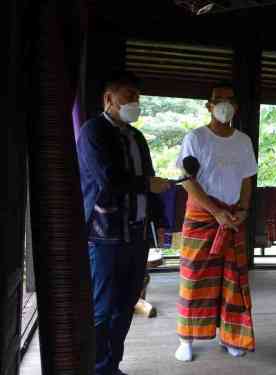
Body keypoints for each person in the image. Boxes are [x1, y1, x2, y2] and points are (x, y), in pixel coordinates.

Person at [77, 71, 170, 375]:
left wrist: (160, 218)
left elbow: (148, 178)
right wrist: (147, 184)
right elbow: (107, 179)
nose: (135, 103)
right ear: (109, 99)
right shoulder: (93, 131)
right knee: (102, 307)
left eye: (137, 97)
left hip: (137, 234)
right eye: (128, 96)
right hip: (105, 235)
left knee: (126, 304)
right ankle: (94, 368)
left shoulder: (137, 136)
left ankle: (110, 366)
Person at [174, 82, 257, 362]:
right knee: (194, 277)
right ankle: (186, 338)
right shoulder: (195, 137)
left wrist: (243, 209)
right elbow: (187, 180)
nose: (224, 104)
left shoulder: (243, 141)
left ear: (236, 106)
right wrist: (214, 212)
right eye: (218, 100)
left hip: (233, 217)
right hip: (202, 217)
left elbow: (247, 179)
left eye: (230, 100)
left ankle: (231, 336)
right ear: (208, 106)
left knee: (232, 280)